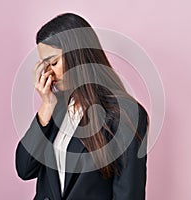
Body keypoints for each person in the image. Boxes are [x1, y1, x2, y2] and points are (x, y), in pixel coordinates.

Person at [15, 13, 149, 200]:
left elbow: (128, 194)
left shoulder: (126, 114)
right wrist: (46, 106)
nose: (48, 72)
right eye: (45, 65)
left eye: (53, 62)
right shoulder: (56, 108)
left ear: (77, 55)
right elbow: (25, 168)